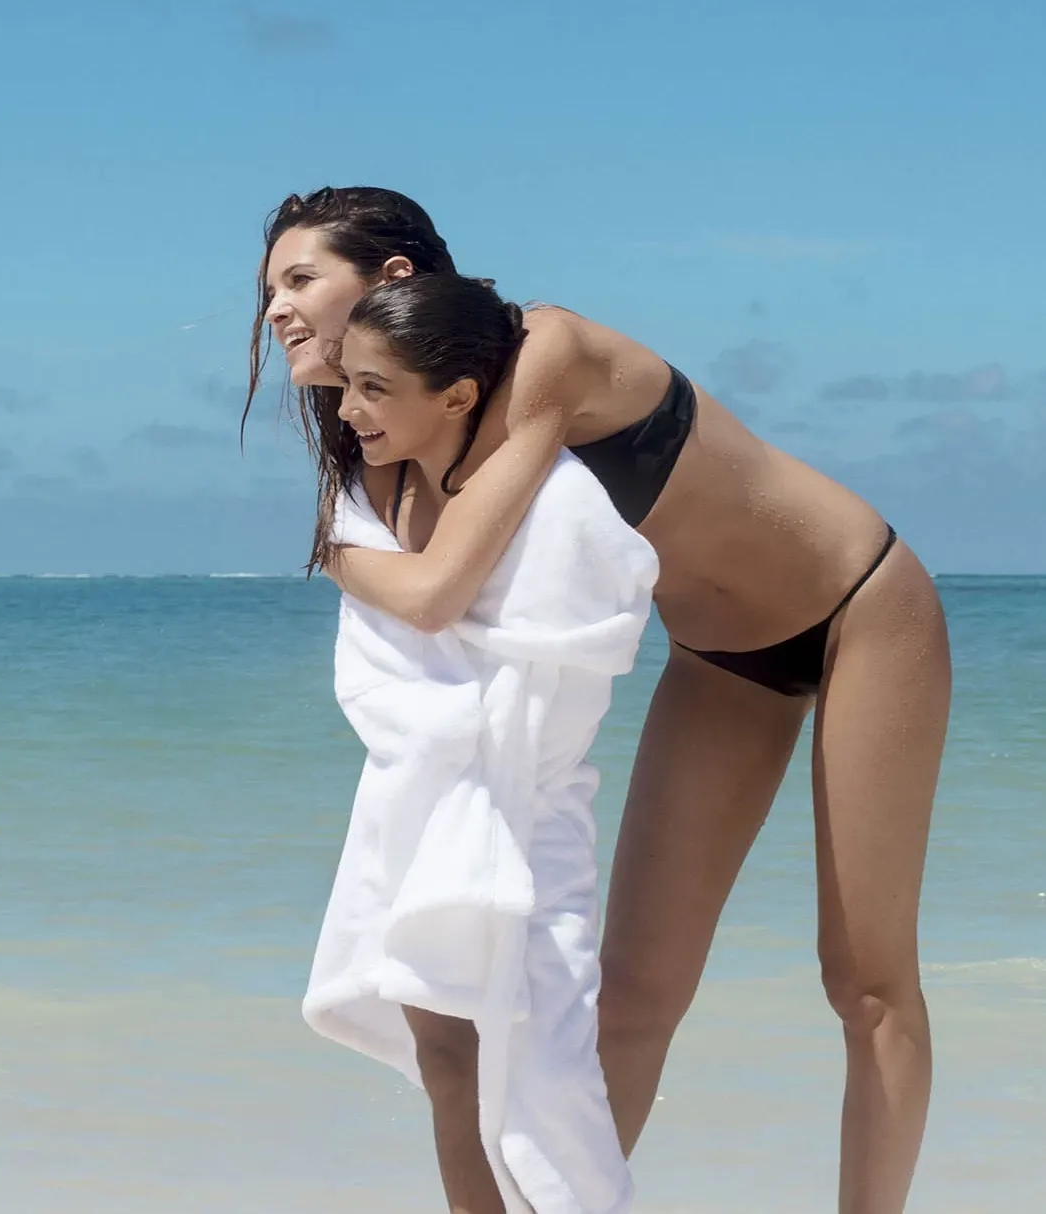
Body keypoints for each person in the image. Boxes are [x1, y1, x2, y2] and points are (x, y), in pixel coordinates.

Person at [252, 187, 949, 1214]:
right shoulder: (390, 434)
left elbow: (441, 589)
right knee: (629, 1000)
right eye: (269, 288)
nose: (275, 310)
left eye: (300, 278)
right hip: (719, 659)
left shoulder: (548, 354)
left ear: (393, 279)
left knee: (867, 983)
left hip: (859, 604)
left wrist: (336, 557)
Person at [301, 272, 656, 1214]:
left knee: (544, 1081)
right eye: (350, 384)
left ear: (458, 395)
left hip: (523, 816)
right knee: (447, 1058)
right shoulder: (384, 495)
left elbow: (536, 636)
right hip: (425, 812)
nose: (351, 409)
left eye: (376, 389)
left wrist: (333, 555)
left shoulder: (558, 500)